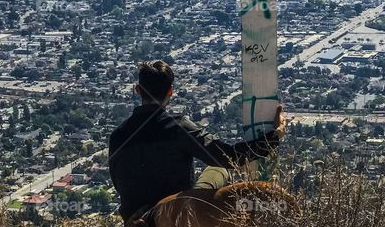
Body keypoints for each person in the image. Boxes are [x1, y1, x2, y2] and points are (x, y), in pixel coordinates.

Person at [108, 59, 286, 223]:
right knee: (219, 170)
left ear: (138, 90)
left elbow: (118, 183)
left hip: (135, 220)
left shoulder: (118, 135)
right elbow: (229, 157)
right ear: (170, 91)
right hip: (177, 215)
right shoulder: (178, 127)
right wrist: (274, 136)